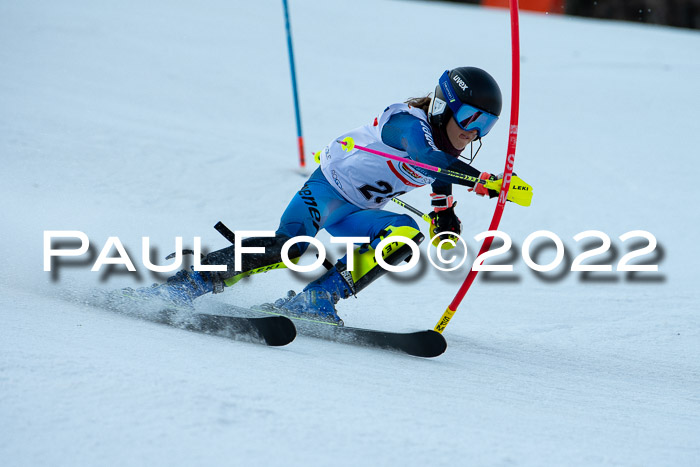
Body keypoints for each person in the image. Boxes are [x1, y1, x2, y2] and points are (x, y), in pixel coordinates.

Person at [133, 67, 504, 324]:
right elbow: (426, 158)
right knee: (291, 247)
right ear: (443, 105)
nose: (475, 131)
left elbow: (437, 169)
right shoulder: (406, 123)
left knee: (405, 234)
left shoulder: (446, 148)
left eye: (486, 124)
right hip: (326, 191)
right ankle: (190, 282)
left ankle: (318, 299)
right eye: (472, 117)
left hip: (359, 211)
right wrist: (481, 180)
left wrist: (443, 210)